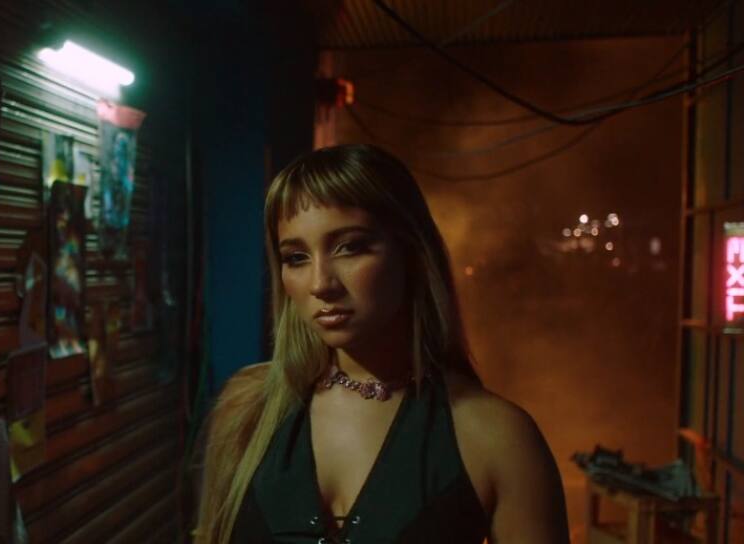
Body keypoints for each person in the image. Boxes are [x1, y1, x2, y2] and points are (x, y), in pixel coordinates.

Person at [194, 145, 569, 543]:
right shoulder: (247, 409)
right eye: (297, 257)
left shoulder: (496, 438)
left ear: (411, 252)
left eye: (350, 246)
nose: (321, 284)